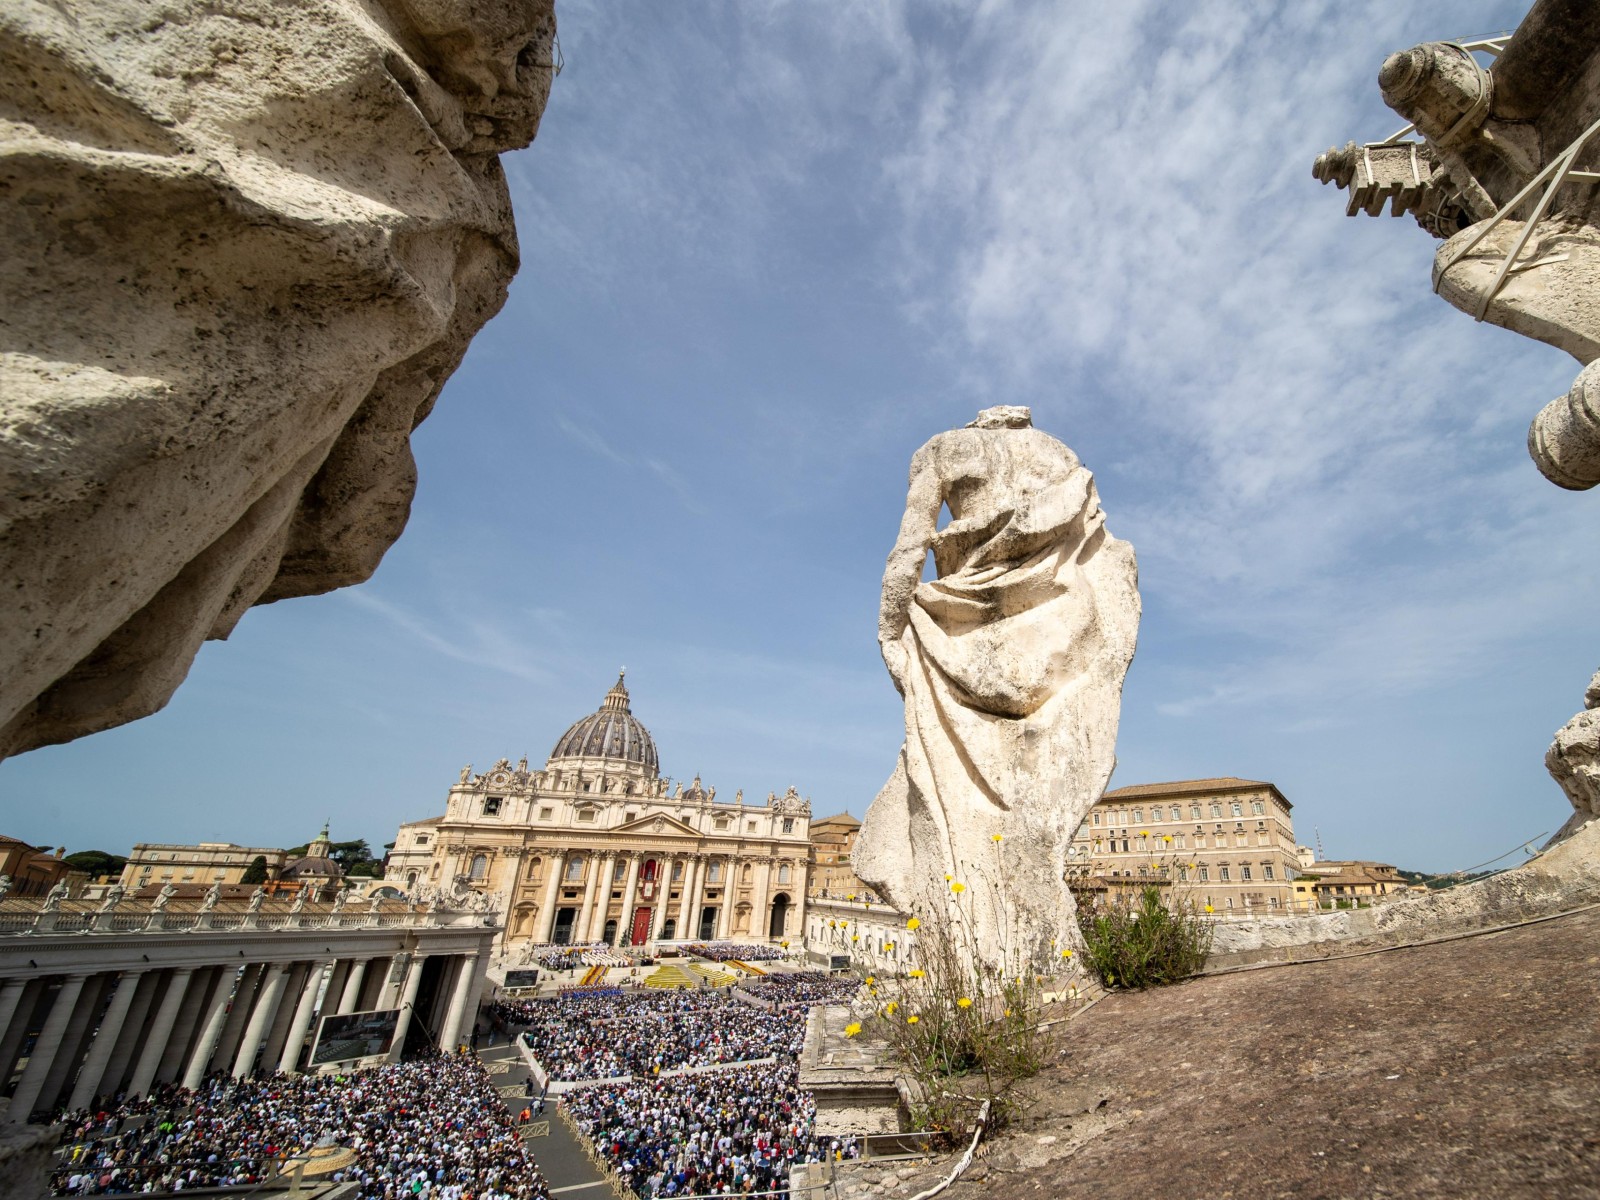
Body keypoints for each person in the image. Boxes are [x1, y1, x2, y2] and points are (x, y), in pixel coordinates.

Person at [856, 405, 1139, 967]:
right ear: (1021, 423)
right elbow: (1099, 547)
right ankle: (1038, 941)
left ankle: (976, 951)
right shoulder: (1061, 455)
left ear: (980, 422)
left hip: (962, 630)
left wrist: (890, 631)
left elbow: (910, 549)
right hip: (1056, 617)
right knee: (1038, 794)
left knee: (954, 801)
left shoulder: (940, 449)